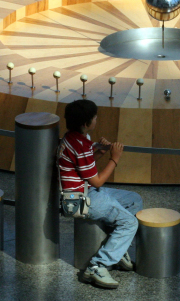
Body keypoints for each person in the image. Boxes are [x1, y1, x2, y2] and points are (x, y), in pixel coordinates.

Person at [58, 99, 143, 289]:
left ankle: (117, 251)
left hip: (84, 190)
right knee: (130, 223)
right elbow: (96, 181)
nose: (97, 120)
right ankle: (98, 265)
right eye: (94, 118)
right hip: (81, 199)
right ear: (85, 123)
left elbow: (83, 169)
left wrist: (99, 154)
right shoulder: (80, 145)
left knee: (134, 200)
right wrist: (114, 158)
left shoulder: (74, 138)